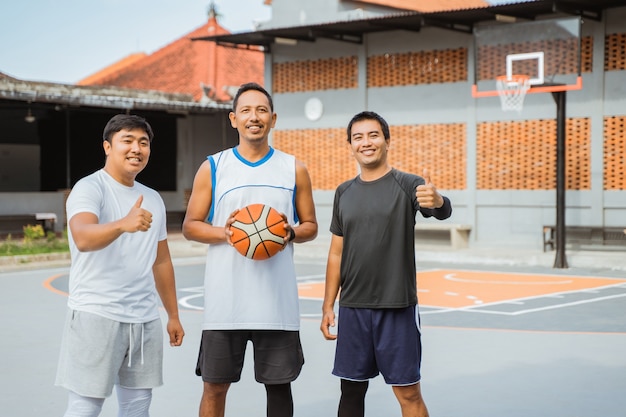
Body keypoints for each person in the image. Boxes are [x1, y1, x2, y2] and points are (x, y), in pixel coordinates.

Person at [182, 82, 318, 417]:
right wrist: (226, 233)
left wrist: (291, 233)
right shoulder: (213, 166)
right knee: (214, 386)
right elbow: (190, 226)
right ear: (233, 119)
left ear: (273, 119)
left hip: (276, 300)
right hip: (225, 301)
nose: (253, 117)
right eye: (245, 110)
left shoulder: (293, 168)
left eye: (261, 111)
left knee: (279, 386)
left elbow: (311, 226)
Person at [320, 111, 453, 417]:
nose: (366, 142)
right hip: (353, 308)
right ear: (350, 146)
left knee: (408, 393)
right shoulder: (344, 192)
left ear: (387, 141)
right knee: (351, 391)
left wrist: (438, 201)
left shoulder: (409, 185)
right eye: (358, 137)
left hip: (397, 308)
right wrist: (329, 305)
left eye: (373, 135)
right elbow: (336, 253)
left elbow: (440, 210)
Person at [55, 114, 185, 417]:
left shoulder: (152, 198)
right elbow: (83, 237)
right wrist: (123, 224)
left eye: (143, 142)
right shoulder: (89, 189)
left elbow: (162, 260)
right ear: (107, 146)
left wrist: (173, 315)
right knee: (85, 407)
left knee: (138, 407)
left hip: (143, 318)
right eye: (127, 140)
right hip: (96, 314)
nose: (136, 148)